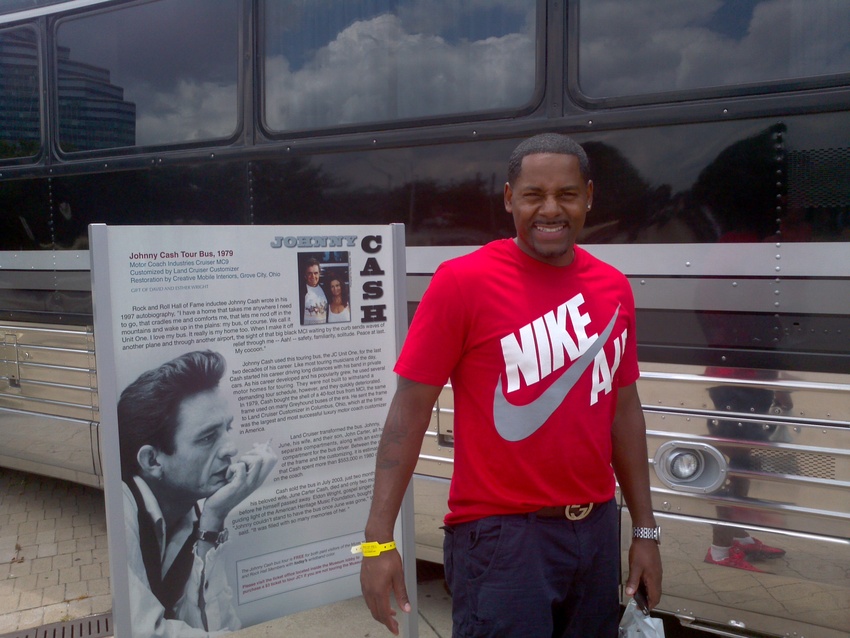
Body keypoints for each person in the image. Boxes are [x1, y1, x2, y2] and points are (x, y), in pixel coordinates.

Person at [360, 133, 662, 637]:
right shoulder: (462, 282)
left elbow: (624, 410)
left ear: (589, 196)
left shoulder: (614, 287)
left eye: (567, 194)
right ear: (508, 198)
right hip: (502, 541)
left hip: (596, 532)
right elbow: (408, 413)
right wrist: (378, 541)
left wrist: (645, 531)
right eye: (533, 195)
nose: (551, 209)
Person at [117, 350, 277, 637]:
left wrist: (213, 519)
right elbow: (144, 633)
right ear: (152, 460)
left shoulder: (195, 513)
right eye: (207, 437)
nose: (231, 448)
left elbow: (218, 626)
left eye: (227, 428)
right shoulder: (121, 507)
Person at [303, 258, 328, 324]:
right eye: (310, 273)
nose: (313, 276)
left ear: (319, 274)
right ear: (305, 275)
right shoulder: (300, 292)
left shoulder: (325, 290)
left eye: (316, 273)